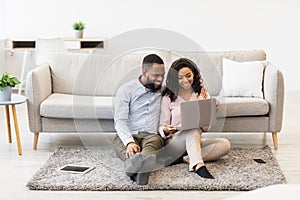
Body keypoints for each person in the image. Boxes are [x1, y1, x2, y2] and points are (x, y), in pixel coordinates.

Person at [159, 58, 231, 179]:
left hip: (194, 139)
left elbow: (206, 128)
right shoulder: (168, 97)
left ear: (194, 74)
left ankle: (185, 159)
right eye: (180, 78)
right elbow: (162, 125)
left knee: (225, 144)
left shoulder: (201, 93)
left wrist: (207, 106)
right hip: (175, 141)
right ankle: (198, 165)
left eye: (188, 76)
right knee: (192, 129)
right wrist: (166, 130)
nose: (185, 80)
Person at [113, 54, 165, 185]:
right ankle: (137, 170)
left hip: (152, 135)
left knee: (150, 151)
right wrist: (129, 142)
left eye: (162, 75)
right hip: (129, 134)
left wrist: (211, 100)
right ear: (144, 72)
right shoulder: (126, 90)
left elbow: (188, 93)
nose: (160, 80)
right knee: (129, 153)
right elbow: (120, 120)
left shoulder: (165, 91)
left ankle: (139, 170)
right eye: (155, 75)